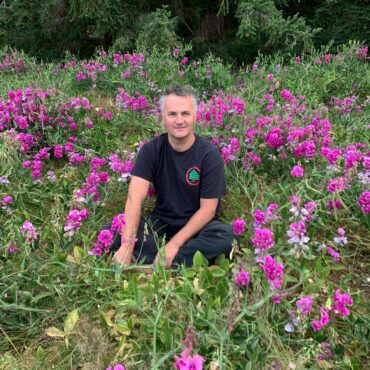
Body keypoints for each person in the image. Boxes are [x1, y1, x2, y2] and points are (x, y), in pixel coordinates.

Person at [111, 84, 235, 268]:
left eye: (185, 114)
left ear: (195, 116)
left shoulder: (209, 154)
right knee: (111, 229)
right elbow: (134, 198)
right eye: (172, 114)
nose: (179, 120)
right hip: (161, 224)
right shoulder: (151, 150)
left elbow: (208, 210)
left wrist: (175, 244)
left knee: (226, 236)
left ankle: (162, 259)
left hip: (198, 228)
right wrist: (127, 245)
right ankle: (178, 262)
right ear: (163, 118)